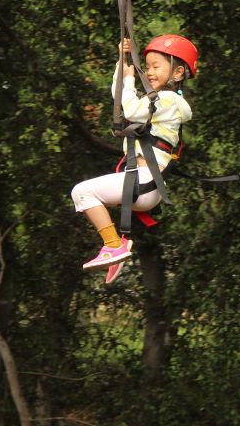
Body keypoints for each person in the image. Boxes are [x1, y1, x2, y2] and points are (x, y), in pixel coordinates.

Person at [71, 34, 197, 283]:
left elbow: (130, 109)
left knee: (81, 192)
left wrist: (129, 80)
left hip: (145, 180)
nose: (149, 72)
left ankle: (113, 244)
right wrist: (122, 62)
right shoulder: (158, 102)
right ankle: (115, 246)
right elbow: (121, 99)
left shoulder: (169, 100)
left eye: (156, 66)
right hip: (143, 182)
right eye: (147, 66)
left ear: (178, 72)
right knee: (86, 194)